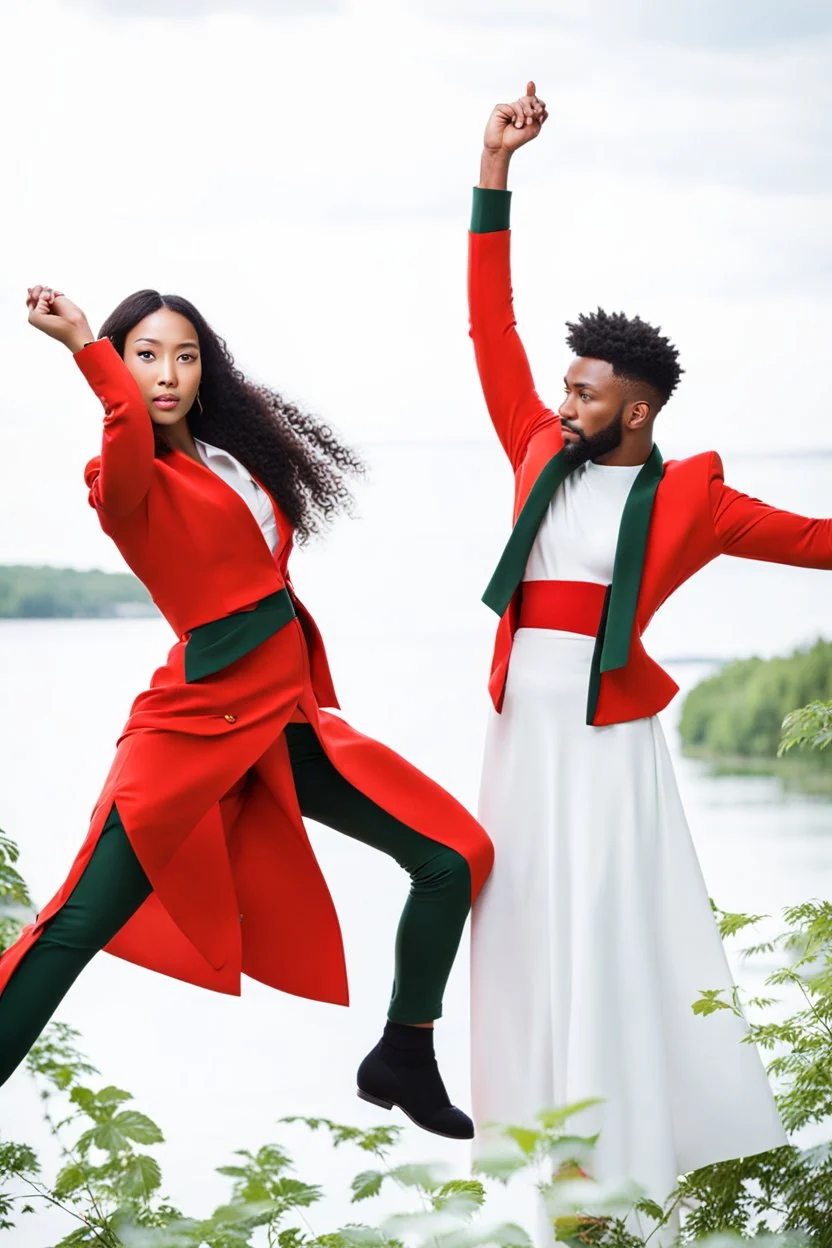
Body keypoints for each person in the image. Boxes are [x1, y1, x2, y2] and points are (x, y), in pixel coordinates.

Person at [0, 284, 493, 1140]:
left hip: (287, 725)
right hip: (192, 732)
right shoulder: (123, 479)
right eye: (145, 355)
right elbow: (122, 430)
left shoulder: (231, 462)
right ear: (119, 367)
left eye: (185, 356)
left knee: (456, 856)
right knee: (73, 926)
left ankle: (405, 1053)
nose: (167, 374)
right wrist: (84, 343)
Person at [467, 82, 830, 1236]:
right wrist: (493, 168)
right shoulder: (534, 448)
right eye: (565, 381)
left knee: (612, 932)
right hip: (521, 735)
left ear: (634, 411)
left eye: (584, 389)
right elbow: (487, 325)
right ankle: (554, 1163)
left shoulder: (695, 497)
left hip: (609, 742)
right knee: (522, 922)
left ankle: (632, 1165)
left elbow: (820, 543)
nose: (560, 395)